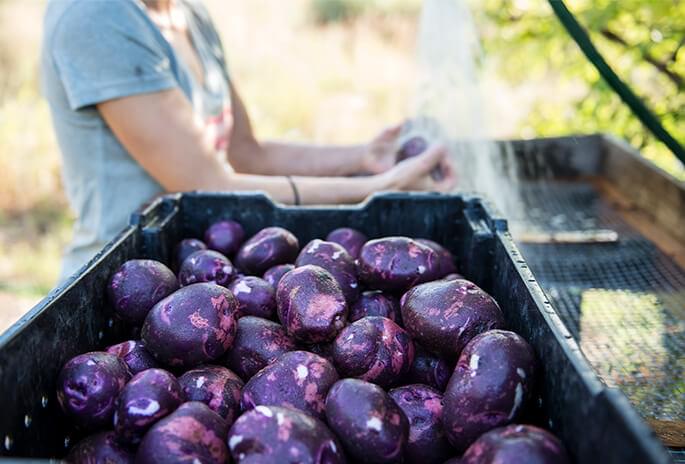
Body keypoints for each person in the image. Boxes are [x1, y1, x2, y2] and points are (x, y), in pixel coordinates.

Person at [41, 0, 455, 279]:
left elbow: (244, 154)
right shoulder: (96, 17)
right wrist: (379, 190)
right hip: (122, 279)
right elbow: (207, 184)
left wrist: (364, 158)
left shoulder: (186, 14)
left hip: (203, 270)